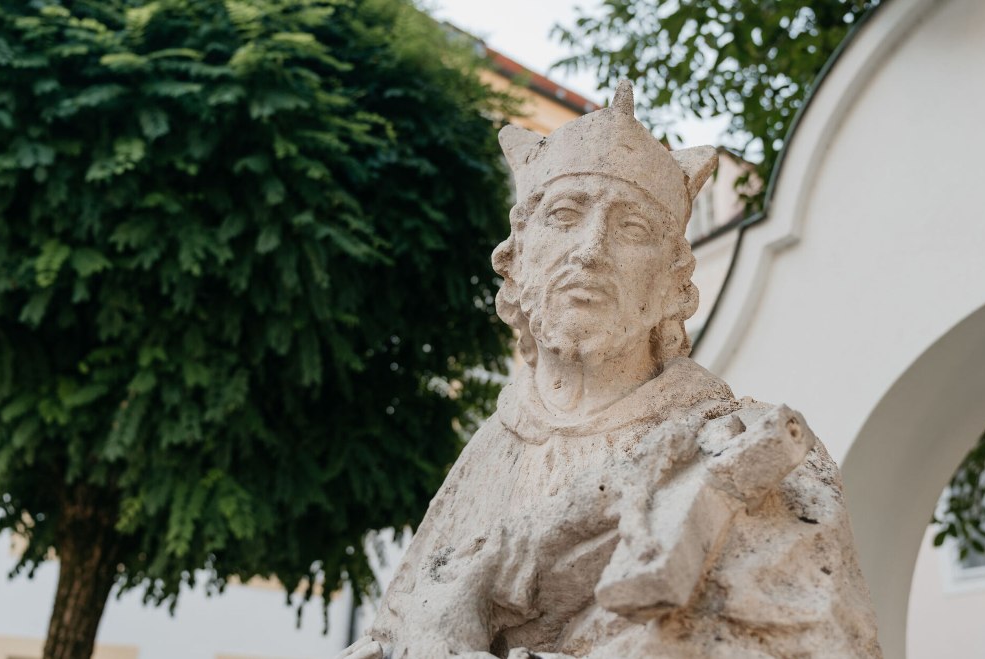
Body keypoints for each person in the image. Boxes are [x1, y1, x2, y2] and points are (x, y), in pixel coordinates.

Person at [340, 81, 882, 659]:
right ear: (516, 261)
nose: (591, 249)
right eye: (565, 214)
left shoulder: (755, 451)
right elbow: (391, 636)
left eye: (633, 229)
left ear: (674, 285)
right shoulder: (483, 457)